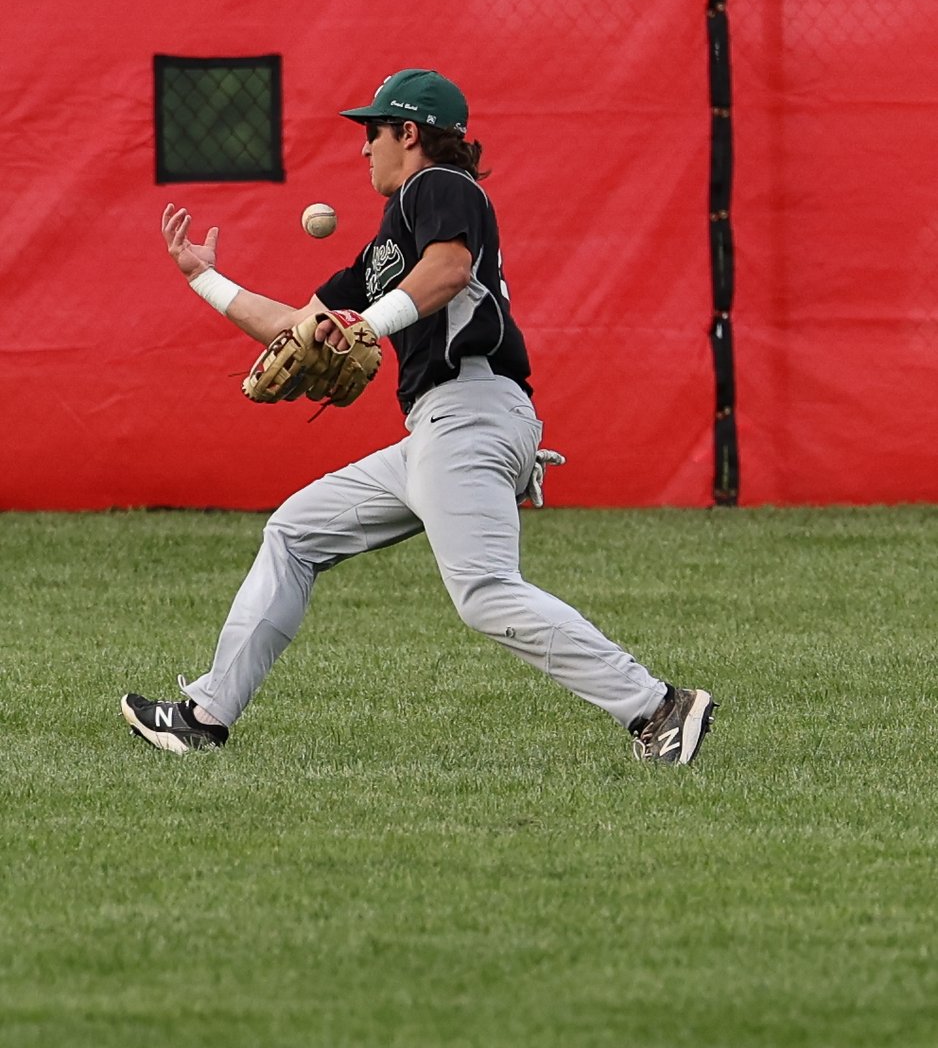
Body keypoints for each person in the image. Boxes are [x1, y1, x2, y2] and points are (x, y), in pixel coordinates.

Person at [120, 68, 716, 765]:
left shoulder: (440, 186)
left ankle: (658, 707)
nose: (362, 149)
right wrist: (204, 277)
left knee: (485, 593)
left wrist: (367, 326)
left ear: (410, 132)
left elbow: (450, 270)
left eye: (372, 132)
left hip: (472, 413)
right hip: (438, 431)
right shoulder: (383, 252)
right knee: (295, 533)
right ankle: (204, 716)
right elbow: (301, 328)